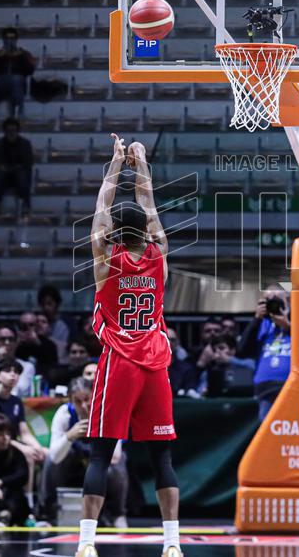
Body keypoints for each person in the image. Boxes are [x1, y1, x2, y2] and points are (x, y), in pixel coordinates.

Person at [79, 134, 181, 557]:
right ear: (145, 231)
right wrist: (140, 165)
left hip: (119, 361)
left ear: (113, 233)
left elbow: (102, 207)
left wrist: (116, 163)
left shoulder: (105, 261)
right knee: (162, 458)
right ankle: (172, 544)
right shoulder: (159, 255)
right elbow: (150, 205)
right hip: (155, 363)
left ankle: (87, 543)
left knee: (101, 454)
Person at [41, 378, 128, 527]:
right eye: (77, 401)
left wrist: (97, 433)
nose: (84, 406)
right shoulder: (64, 414)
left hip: (100, 461)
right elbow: (54, 457)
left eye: (87, 399)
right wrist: (69, 436)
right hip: (73, 463)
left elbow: (115, 456)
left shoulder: (107, 411)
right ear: (70, 401)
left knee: (120, 464)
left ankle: (117, 514)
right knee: (49, 461)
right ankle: (47, 515)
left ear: (95, 395)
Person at [238, 288, 291, 420]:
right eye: (267, 300)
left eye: (277, 299)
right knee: (267, 431)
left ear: (287, 301)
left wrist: (288, 326)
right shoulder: (261, 324)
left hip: (291, 385)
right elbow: (242, 351)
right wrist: (257, 319)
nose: (273, 303)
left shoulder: (298, 321)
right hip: (265, 388)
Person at [0, 28, 35, 122]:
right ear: (3, 39)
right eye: (7, 38)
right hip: (0, 81)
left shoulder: (25, 54)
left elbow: (30, 71)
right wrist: (0, 57)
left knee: (15, 79)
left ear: (16, 39)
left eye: (12, 38)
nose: (10, 40)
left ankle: (17, 115)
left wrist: (20, 56)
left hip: (18, 81)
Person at [0, 117, 34, 216]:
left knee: (22, 176)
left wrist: (11, 168)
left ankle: (26, 205)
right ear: (4, 131)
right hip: (5, 173)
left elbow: (28, 162)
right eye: (8, 131)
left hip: (19, 172)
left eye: (14, 130)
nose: (11, 133)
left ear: (18, 131)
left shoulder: (25, 144)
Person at [15, 311, 58, 377]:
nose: (28, 328)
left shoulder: (49, 344)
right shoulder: (14, 342)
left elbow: (51, 367)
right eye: (24, 326)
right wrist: (17, 344)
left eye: (31, 325)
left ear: (37, 326)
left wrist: (37, 343)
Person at [37, 285, 72, 360]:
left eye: (49, 304)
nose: (46, 307)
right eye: (43, 304)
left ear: (57, 304)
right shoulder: (37, 322)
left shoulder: (66, 324)